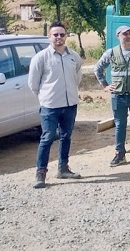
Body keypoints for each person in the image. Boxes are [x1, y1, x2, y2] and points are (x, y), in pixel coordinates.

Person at [29, 21, 83, 189]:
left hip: (70, 104)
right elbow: (33, 84)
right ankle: (40, 173)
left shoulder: (74, 56)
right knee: (47, 138)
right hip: (50, 106)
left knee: (66, 137)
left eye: (62, 34)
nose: (59, 37)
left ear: (66, 36)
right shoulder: (41, 58)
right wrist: (45, 98)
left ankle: (63, 168)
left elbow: (77, 77)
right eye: (56, 34)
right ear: (49, 37)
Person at [94, 25, 130, 167]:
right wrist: (105, 85)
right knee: (120, 125)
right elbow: (98, 68)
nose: (128, 36)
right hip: (118, 95)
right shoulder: (111, 53)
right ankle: (120, 154)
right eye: (124, 34)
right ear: (118, 36)